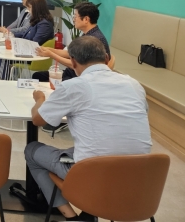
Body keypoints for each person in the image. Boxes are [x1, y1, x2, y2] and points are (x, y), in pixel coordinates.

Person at [25, 36, 151, 222]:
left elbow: (38, 120)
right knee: (87, 149)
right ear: (106, 58)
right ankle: (89, 214)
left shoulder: (74, 86)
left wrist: (40, 99)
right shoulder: (134, 84)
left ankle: (72, 217)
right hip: (139, 177)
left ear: (73, 62)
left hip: (93, 176)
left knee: (32, 150)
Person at [34, 2, 111, 82]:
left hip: (79, 77)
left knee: (40, 79)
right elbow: (70, 53)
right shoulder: (88, 34)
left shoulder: (94, 40)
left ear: (86, 19)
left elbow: (76, 65)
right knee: (37, 76)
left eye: (75, 16)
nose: (73, 19)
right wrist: (48, 49)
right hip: (71, 72)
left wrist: (51, 54)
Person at [0, 0, 54, 79]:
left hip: (34, 55)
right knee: (4, 53)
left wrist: (18, 43)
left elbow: (34, 43)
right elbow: (24, 34)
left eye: (29, 8)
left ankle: (5, 79)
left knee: (4, 56)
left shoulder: (44, 24)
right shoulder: (37, 20)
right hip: (28, 51)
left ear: (37, 8)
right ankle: (6, 78)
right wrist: (12, 35)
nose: (28, 10)